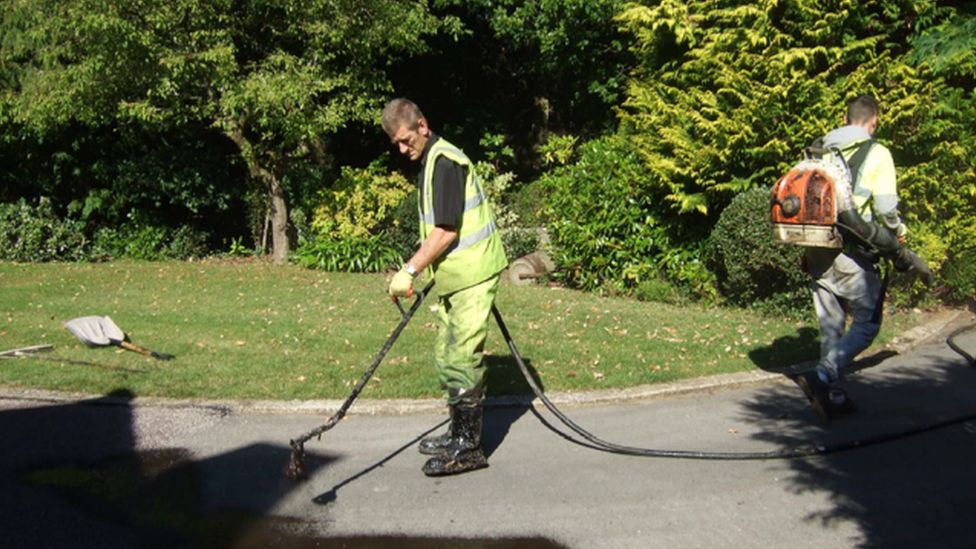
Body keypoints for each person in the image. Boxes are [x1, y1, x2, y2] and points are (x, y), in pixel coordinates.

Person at [381, 98, 508, 475]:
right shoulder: (430, 161)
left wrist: (410, 269)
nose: (403, 150)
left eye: (406, 140)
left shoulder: (446, 161)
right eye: (397, 145)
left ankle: (468, 447)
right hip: (455, 278)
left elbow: (446, 231)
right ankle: (457, 432)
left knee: (462, 357)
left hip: (473, 273)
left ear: (423, 125)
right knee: (445, 353)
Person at [796, 94, 917, 422]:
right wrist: (898, 232)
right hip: (853, 252)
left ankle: (834, 395)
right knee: (867, 323)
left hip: (817, 247)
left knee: (832, 324)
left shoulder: (818, 148)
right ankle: (822, 376)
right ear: (873, 122)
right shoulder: (878, 153)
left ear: (846, 119)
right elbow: (886, 209)